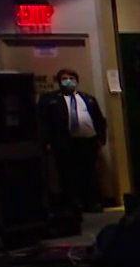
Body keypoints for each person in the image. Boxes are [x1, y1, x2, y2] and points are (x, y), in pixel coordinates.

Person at [38, 68, 107, 212]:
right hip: (65, 143)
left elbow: (99, 119)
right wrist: (47, 141)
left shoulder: (88, 99)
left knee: (89, 173)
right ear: (59, 82)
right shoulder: (50, 99)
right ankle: (73, 205)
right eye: (65, 78)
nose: (68, 81)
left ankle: (92, 203)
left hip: (88, 141)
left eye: (71, 78)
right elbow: (43, 122)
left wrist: (101, 138)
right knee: (68, 175)